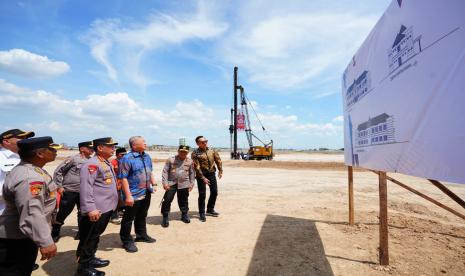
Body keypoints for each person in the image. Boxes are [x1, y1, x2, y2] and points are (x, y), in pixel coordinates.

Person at [0, 136, 60, 275]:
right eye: (52, 149)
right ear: (39, 154)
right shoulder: (30, 177)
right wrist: (45, 241)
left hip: (23, 236)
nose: (55, 152)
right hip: (17, 240)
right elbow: (31, 213)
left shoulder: (33, 169)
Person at [76, 137, 119, 276]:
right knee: (88, 238)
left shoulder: (104, 162)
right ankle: (83, 269)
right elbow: (85, 188)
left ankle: (90, 259)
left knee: (95, 236)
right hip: (96, 210)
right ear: (100, 148)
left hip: (105, 208)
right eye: (110, 146)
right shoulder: (91, 164)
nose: (113, 149)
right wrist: (90, 208)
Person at [118, 136, 157, 253]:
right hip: (133, 194)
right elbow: (123, 178)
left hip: (146, 191)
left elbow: (150, 171)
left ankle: (141, 235)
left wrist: (153, 184)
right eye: (143, 142)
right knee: (128, 218)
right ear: (134, 146)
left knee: (142, 214)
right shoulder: (127, 158)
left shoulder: (147, 156)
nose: (145, 143)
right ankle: (126, 240)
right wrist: (128, 196)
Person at [51, 141, 94, 242]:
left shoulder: (92, 161)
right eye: (89, 148)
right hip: (69, 190)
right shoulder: (73, 159)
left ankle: (81, 232)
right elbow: (58, 171)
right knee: (63, 212)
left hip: (84, 192)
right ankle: (55, 230)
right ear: (82, 149)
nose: (92, 150)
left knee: (83, 212)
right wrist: (59, 186)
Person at [0, 129, 35, 214]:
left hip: (26, 210)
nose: (26, 140)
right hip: (4, 212)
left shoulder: (27, 157)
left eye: (26, 138)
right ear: (6, 141)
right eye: (22, 137)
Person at [160, 145, 195, 228]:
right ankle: (165, 217)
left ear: (187, 152)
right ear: (178, 151)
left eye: (185, 152)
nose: (183, 153)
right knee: (167, 199)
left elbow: (192, 173)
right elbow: (165, 171)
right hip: (171, 183)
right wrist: (165, 183)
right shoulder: (171, 160)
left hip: (184, 184)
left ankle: (184, 215)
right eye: (181, 151)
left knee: (183, 200)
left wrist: (191, 183)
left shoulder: (190, 161)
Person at [191, 136, 223, 222]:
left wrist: (220, 170)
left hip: (211, 173)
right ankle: (202, 213)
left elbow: (218, 160)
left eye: (206, 141)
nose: (205, 143)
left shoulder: (212, 150)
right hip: (201, 174)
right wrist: (203, 178)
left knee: (214, 192)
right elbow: (197, 167)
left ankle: (210, 209)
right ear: (198, 143)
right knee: (202, 195)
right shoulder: (195, 153)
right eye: (203, 142)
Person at [110, 147, 126, 224]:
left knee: (122, 199)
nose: (123, 156)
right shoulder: (113, 163)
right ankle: (113, 217)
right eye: (121, 154)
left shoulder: (126, 162)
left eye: (125, 154)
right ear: (117, 155)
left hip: (124, 184)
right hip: (115, 185)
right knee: (115, 200)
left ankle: (120, 212)